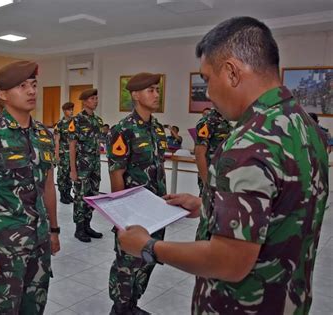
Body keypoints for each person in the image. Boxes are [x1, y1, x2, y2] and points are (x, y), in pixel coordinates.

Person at [117, 16, 328, 314]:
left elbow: (228, 261)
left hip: (241, 305)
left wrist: (149, 247)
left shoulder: (248, 141)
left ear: (231, 72)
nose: (209, 94)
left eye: (207, 80)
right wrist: (208, 207)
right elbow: (283, 207)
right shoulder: (301, 124)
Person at [0, 60, 60, 314]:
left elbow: (48, 186)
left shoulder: (44, 135)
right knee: (5, 309)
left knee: (35, 306)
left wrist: (53, 229)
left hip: (40, 240)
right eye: (22, 86)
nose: (31, 91)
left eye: (33, 85)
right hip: (6, 244)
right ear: (2, 94)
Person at [107, 72, 168, 315]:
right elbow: (116, 174)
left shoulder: (157, 128)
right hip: (133, 212)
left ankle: (132, 304)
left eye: (157, 89)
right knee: (126, 265)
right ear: (135, 95)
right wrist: (122, 218)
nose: (156, 94)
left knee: (147, 261)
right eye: (151, 90)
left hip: (157, 212)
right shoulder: (123, 129)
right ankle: (120, 308)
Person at [68, 88, 104, 242]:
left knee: (93, 196)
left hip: (95, 164)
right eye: (92, 99)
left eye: (96, 98)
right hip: (81, 165)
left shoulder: (97, 120)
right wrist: (73, 169)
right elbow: (72, 145)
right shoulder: (76, 120)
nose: (95, 101)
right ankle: (79, 228)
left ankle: (87, 225)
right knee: (80, 196)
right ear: (84, 101)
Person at [194, 108, 231, 195]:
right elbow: (199, 154)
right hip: (212, 176)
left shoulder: (228, 120)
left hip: (225, 176)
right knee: (209, 206)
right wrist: (207, 184)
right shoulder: (207, 121)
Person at [54, 101, 74, 204]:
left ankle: (68, 193)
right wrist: (56, 155)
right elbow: (56, 140)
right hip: (63, 154)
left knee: (70, 174)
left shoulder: (74, 123)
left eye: (72, 110)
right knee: (62, 174)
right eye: (69, 110)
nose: (71, 112)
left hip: (72, 154)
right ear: (64, 111)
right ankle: (62, 195)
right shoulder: (60, 124)